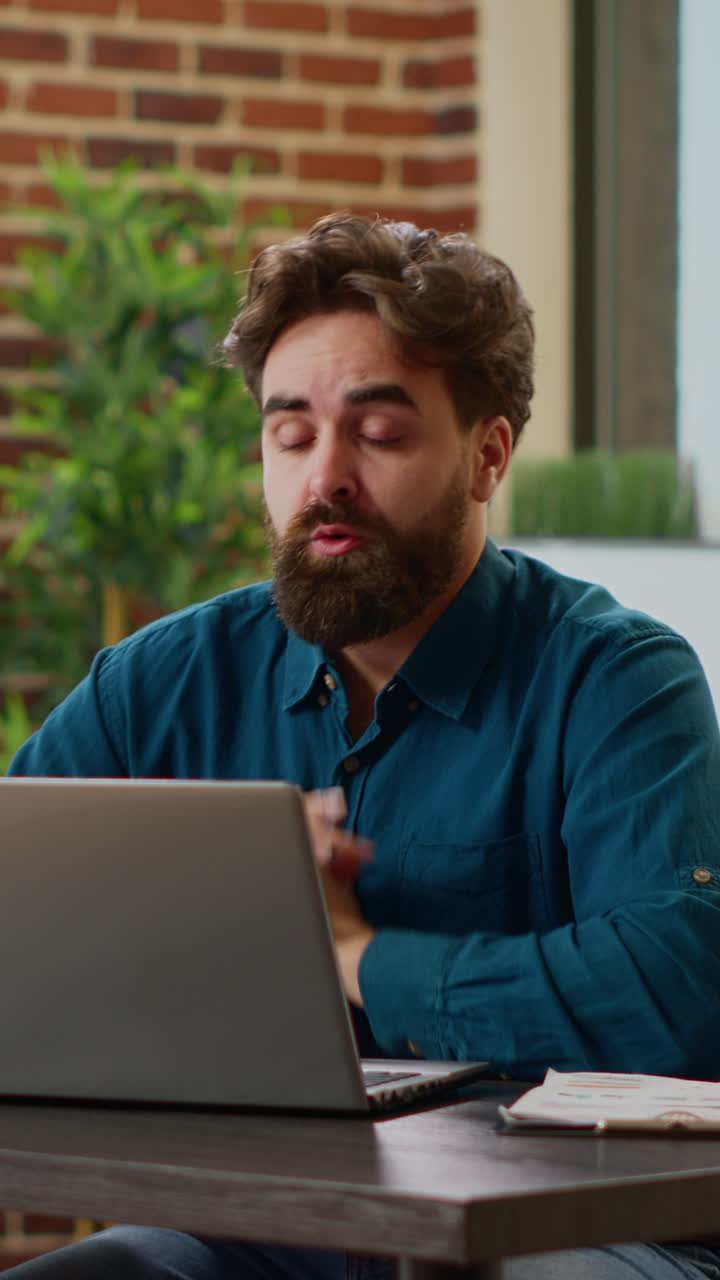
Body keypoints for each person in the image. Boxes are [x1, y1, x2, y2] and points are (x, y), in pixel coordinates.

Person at [6, 213, 720, 1280]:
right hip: (260, 1229)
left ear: (487, 455)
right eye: (291, 433)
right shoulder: (160, 680)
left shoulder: (617, 677)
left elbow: (672, 993)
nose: (325, 476)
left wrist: (353, 957)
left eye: (377, 432)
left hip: (575, 1232)